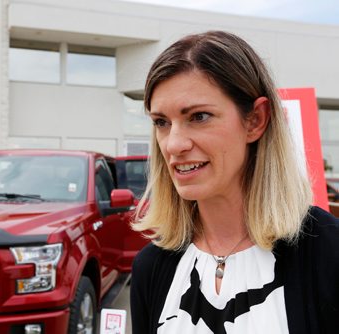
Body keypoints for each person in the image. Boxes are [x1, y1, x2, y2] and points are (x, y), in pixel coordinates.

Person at [130, 31, 339, 334]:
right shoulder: (152, 267)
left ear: (255, 120)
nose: (173, 144)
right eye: (162, 122)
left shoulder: (328, 252)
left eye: (199, 116)